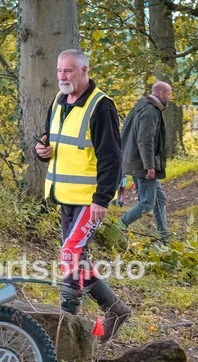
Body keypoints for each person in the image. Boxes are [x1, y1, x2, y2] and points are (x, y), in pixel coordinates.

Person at [35, 49, 130, 342]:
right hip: (65, 195)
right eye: (60, 71)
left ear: (85, 70)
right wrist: (40, 151)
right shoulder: (59, 100)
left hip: (90, 199)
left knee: (70, 254)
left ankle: (67, 324)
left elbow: (112, 158)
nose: (63, 77)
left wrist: (103, 198)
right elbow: (49, 141)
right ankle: (115, 309)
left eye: (69, 71)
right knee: (76, 257)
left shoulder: (101, 107)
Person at [117, 81, 173, 240]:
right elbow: (145, 139)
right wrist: (149, 166)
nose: (169, 98)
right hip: (142, 164)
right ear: (161, 94)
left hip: (134, 160)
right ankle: (120, 225)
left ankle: (164, 237)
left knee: (160, 199)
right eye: (168, 94)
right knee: (148, 202)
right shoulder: (150, 111)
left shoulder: (141, 107)